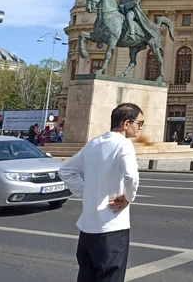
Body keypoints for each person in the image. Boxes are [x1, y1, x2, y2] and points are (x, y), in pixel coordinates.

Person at [59, 103, 143, 282]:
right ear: (126, 123)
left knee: (86, 276)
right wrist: (127, 198)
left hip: (88, 228)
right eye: (140, 123)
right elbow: (132, 177)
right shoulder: (123, 145)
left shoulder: (93, 144)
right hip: (112, 227)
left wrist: (84, 191)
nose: (140, 128)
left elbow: (65, 170)